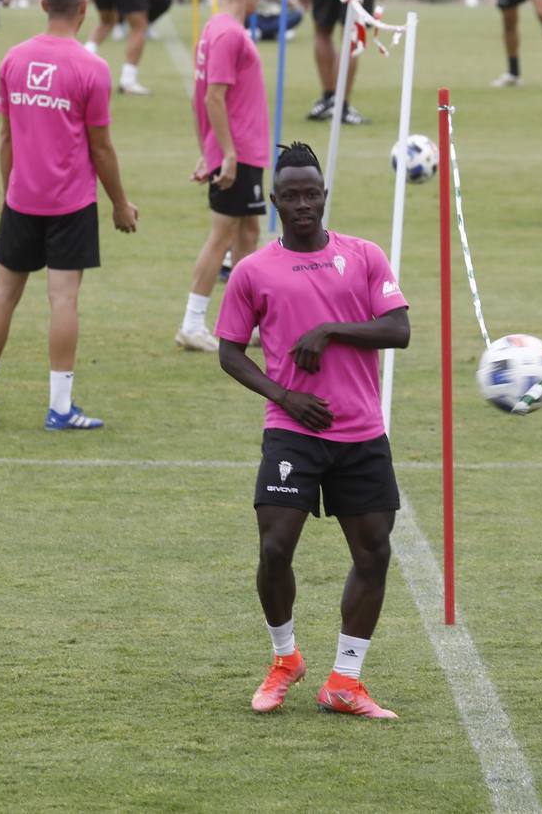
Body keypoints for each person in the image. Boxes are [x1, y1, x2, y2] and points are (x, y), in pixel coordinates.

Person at [215, 141, 410, 719]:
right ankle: (285, 659)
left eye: (312, 194)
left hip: (360, 435)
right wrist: (284, 396)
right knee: (275, 550)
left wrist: (330, 330)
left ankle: (345, 681)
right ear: (273, 201)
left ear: (325, 196)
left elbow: (398, 330)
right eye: (291, 195)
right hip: (291, 432)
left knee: (373, 555)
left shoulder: (365, 255)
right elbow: (229, 351)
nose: (303, 204)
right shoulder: (253, 271)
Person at [0, 0, 139, 430]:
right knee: (63, 301)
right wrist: (120, 203)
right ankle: (60, 408)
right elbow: (100, 147)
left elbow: (5, 139)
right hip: (71, 204)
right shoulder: (92, 68)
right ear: (85, 8)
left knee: (3, 294)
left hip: (21, 199)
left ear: (43, 4)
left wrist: (9, 195)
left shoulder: (14, 60)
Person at [177, 0, 271, 353]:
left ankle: (243, 323)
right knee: (222, 236)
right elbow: (213, 97)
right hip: (240, 150)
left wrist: (208, 150)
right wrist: (225, 153)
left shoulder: (216, 29)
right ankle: (193, 323)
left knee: (248, 233)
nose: (261, 0)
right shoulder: (228, 33)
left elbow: (201, 98)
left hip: (242, 149)